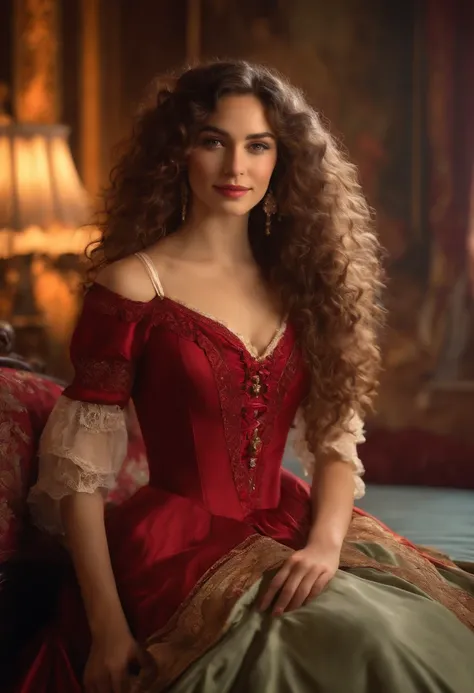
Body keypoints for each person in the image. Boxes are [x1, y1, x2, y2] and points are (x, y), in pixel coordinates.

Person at [11, 60, 474, 693]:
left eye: (258, 146)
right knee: (357, 639)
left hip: (292, 525)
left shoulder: (304, 287)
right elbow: (78, 479)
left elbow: (337, 443)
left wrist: (325, 547)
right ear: (180, 153)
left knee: (418, 625)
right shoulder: (131, 287)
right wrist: (108, 630)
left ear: (282, 160)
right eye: (213, 141)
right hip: (173, 546)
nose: (236, 167)